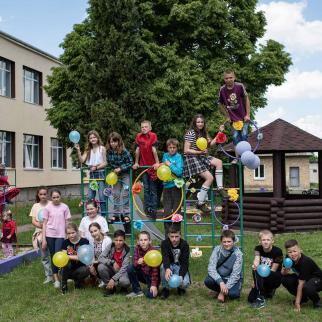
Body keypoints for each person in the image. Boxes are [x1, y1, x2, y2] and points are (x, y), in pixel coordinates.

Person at [183, 114, 227, 213]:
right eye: (198, 122)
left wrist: (220, 132)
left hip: (201, 156)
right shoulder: (190, 133)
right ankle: (200, 203)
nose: (200, 124)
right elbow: (186, 150)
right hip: (192, 158)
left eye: (202, 122)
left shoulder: (204, 133)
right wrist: (200, 152)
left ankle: (220, 188)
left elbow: (210, 144)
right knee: (210, 178)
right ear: (195, 123)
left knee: (219, 162)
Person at [42, 189, 71, 289]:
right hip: (49, 234)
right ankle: (56, 279)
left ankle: (63, 276)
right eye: (54, 197)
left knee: (59, 254)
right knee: (52, 255)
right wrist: (44, 239)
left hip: (60, 235)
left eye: (57, 197)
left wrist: (67, 235)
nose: (56, 199)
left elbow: (67, 222)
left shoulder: (65, 207)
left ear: (60, 197)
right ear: (51, 198)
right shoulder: (47, 208)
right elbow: (44, 224)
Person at [218, 69, 251, 160]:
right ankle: (237, 158)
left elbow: (246, 99)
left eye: (231, 77)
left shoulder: (239, 86)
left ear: (234, 77)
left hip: (243, 117)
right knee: (235, 138)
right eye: (226, 78)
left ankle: (245, 157)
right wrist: (227, 116)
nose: (229, 79)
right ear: (224, 79)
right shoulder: (222, 89)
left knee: (244, 136)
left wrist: (247, 114)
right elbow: (220, 104)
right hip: (233, 119)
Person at [281, 239, 322, 311]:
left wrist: (297, 303)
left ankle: (317, 301)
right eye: (290, 252)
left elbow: (301, 284)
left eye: (295, 251)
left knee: (307, 287)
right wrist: (285, 270)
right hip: (305, 279)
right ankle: (303, 298)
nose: (293, 254)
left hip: (318, 280)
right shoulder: (288, 258)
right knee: (285, 279)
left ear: (300, 250)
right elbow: (282, 272)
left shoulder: (305, 262)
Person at [204, 229, 243, 302]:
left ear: (234, 242)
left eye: (229, 241)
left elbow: (235, 274)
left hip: (233, 278)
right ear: (221, 242)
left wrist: (223, 292)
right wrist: (221, 282)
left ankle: (222, 291)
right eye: (224, 242)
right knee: (208, 281)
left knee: (234, 294)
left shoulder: (238, 254)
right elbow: (211, 268)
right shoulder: (217, 250)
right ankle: (222, 289)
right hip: (221, 276)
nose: (226, 244)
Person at [248, 229, 283, 309]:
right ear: (260, 241)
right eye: (263, 240)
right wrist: (255, 268)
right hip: (261, 276)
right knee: (250, 299)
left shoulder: (278, 251)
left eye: (268, 240)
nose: (266, 242)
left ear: (272, 241)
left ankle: (261, 298)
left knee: (258, 271)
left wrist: (258, 280)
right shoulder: (258, 248)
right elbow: (256, 260)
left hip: (274, 277)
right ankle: (267, 292)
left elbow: (273, 269)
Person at [75, 130, 107, 216]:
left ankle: (103, 217)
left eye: (94, 137)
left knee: (102, 197)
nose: (93, 139)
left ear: (97, 138)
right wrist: (78, 150)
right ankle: (90, 215)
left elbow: (105, 163)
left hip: (101, 173)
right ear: (89, 140)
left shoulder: (102, 148)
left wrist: (96, 167)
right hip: (92, 175)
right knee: (90, 196)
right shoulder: (88, 150)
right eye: (91, 138)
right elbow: (82, 160)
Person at [106, 132, 133, 233]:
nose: (113, 143)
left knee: (125, 193)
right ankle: (116, 214)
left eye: (115, 141)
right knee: (116, 193)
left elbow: (130, 162)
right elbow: (108, 162)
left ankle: (126, 214)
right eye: (111, 142)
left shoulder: (124, 151)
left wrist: (121, 168)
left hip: (125, 174)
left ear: (118, 141)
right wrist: (113, 170)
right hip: (115, 176)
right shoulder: (109, 152)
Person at [133, 120, 160, 219]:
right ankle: (147, 208)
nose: (144, 128)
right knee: (146, 188)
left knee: (153, 189)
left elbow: (154, 149)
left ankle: (153, 210)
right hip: (144, 166)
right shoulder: (139, 136)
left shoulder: (153, 135)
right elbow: (137, 150)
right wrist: (136, 162)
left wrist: (157, 163)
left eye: (146, 127)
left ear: (150, 128)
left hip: (153, 167)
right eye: (142, 127)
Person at [29, 186, 53, 284]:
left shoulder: (52, 204)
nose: (43, 196)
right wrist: (42, 226)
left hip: (52, 231)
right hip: (40, 231)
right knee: (44, 255)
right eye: (41, 194)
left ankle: (58, 274)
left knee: (54, 253)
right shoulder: (35, 206)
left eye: (45, 194)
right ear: (38, 195)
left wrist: (48, 226)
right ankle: (49, 275)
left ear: (47, 194)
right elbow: (33, 221)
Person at [160, 225, 190, 299]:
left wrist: (181, 275)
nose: (174, 239)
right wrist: (167, 268)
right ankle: (165, 288)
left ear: (180, 235)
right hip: (169, 264)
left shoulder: (185, 244)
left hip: (179, 265)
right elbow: (165, 257)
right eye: (172, 236)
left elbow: (185, 262)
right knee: (162, 267)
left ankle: (180, 288)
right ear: (168, 236)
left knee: (185, 283)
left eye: (176, 236)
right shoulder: (164, 243)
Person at [127, 231, 160, 298]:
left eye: (145, 240)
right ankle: (137, 291)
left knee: (150, 296)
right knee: (130, 267)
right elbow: (134, 263)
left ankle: (153, 287)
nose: (143, 242)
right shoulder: (137, 248)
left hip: (151, 277)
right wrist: (137, 262)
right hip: (142, 274)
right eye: (141, 240)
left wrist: (154, 285)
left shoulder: (153, 252)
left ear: (150, 241)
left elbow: (155, 271)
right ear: (138, 242)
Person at [97, 230, 131, 296]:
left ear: (124, 241)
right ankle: (110, 288)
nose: (118, 242)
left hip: (122, 271)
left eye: (120, 240)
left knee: (125, 282)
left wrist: (113, 279)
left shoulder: (127, 250)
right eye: (116, 240)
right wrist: (112, 262)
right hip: (112, 269)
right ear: (113, 240)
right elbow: (100, 258)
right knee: (101, 267)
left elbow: (124, 268)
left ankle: (123, 288)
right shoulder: (111, 246)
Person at [161, 138, 183, 236]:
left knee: (176, 213)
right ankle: (167, 237)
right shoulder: (165, 156)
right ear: (167, 148)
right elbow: (162, 170)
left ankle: (176, 236)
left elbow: (179, 172)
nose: (172, 149)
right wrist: (160, 165)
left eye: (174, 147)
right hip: (166, 187)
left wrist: (169, 164)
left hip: (176, 187)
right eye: (170, 147)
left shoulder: (179, 157)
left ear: (177, 148)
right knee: (166, 213)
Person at [61, 223, 90, 294]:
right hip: (68, 269)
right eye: (68, 233)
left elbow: (82, 257)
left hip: (80, 267)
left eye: (73, 232)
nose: (71, 235)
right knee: (65, 262)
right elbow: (63, 258)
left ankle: (78, 282)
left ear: (77, 231)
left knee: (86, 270)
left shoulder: (84, 241)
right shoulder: (65, 243)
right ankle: (64, 286)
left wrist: (68, 256)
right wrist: (70, 257)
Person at [88, 222, 112, 286]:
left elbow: (107, 257)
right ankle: (98, 279)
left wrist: (94, 262)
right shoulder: (91, 241)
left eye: (95, 230)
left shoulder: (107, 240)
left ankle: (108, 282)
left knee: (100, 266)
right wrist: (91, 265)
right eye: (91, 232)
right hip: (97, 261)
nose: (93, 233)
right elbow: (92, 254)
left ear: (100, 230)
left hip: (107, 262)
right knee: (88, 265)